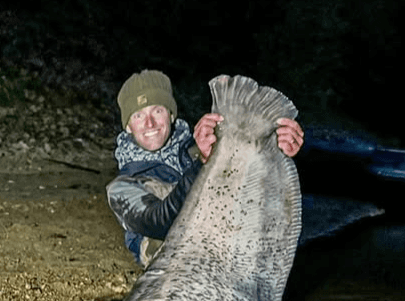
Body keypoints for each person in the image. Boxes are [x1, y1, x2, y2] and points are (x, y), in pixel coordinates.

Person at [107, 70, 304, 266]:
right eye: (138, 115)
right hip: (172, 278)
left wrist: (276, 150)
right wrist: (203, 163)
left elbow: (254, 195)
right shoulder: (122, 188)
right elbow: (159, 223)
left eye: (157, 110)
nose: (149, 123)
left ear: (171, 114)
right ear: (128, 127)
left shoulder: (205, 149)